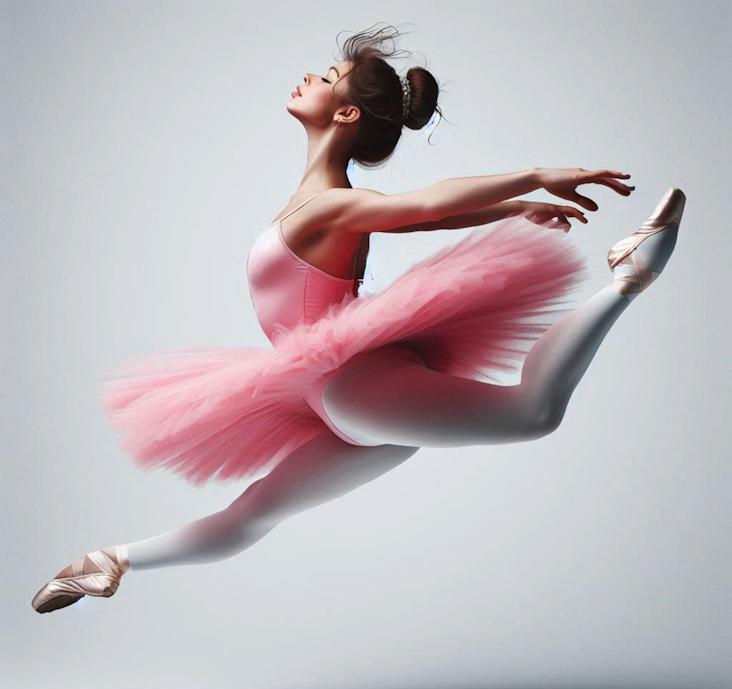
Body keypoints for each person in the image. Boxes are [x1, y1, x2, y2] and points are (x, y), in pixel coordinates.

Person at [32, 24, 685, 614]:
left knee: (533, 413)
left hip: (356, 387)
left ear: (344, 112)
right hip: (343, 399)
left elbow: (424, 203)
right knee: (251, 514)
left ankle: (629, 276)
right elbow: (422, 211)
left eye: (327, 77)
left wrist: (534, 179)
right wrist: (512, 206)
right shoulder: (322, 202)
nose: (310, 77)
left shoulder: (330, 205)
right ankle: (110, 561)